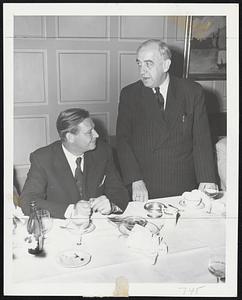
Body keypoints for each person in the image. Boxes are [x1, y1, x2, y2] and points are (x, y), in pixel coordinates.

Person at [116, 39, 218, 202]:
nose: (142, 71)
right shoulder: (130, 94)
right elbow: (123, 141)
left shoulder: (192, 92)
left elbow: (201, 140)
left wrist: (207, 179)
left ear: (166, 65)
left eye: (148, 64)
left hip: (182, 183)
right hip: (143, 185)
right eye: (139, 64)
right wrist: (134, 179)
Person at [20, 108, 129, 218]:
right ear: (70, 137)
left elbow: (119, 191)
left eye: (94, 129)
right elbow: (28, 201)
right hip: (61, 226)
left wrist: (111, 205)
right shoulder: (42, 158)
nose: (96, 135)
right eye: (89, 132)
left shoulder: (103, 152)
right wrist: (70, 210)